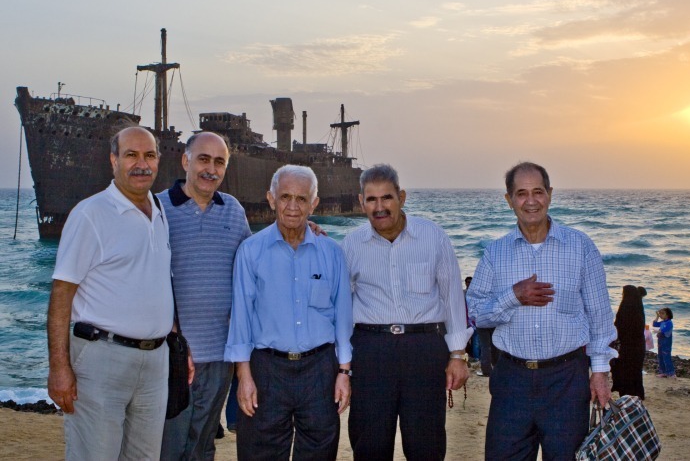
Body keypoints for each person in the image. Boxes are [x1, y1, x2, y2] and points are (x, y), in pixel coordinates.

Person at [466, 161, 617, 461]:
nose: (531, 201)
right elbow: (475, 312)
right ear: (509, 200)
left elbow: (599, 315)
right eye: (521, 193)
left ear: (550, 194)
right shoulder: (495, 253)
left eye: (538, 191)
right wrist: (513, 296)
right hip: (511, 380)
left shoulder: (580, 247)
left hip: (566, 380)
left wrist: (600, 372)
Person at [47, 126, 179, 460]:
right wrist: (59, 368)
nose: (142, 164)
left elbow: (152, 279)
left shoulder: (158, 211)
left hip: (155, 360)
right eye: (131, 155)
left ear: (158, 161)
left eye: (149, 156)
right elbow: (62, 293)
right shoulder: (91, 214)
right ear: (113, 160)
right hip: (101, 358)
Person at [342, 164, 472, 461]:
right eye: (371, 199)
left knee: (426, 445)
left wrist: (457, 355)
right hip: (371, 352)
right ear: (361, 202)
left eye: (387, 197)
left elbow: (452, 298)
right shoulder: (351, 245)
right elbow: (341, 308)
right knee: (370, 444)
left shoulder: (433, 237)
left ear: (401, 197)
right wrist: (343, 365)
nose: (379, 207)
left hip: (424, 350)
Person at [225, 165, 353, 460]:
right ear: (271, 199)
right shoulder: (251, 251)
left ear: (313, 204)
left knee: (320, 451)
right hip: (266, 369)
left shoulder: (332, 253)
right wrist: (244, 376)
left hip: (320, 370)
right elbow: (241, 319)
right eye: (285, 197)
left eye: (301, 198)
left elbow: (343, 319)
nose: (292, 206)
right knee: (259, 452)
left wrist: (344, 372)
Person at [158, 132, 252, 460]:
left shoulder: (233, 210)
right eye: (203, 159)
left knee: (203, 444)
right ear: (186, 161)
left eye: (219, 162)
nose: (211, 169)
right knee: (167, 446)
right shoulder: (157, 208)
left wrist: (303, 229)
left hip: (219, 355)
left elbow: (254, 260)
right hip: (170, 355)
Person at [610, 285, 646, 400]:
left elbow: (619, 327)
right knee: (635, 371)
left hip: (626, 347)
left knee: (625, 371)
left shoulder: (625, 308)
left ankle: (626, 394)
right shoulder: (638, 308)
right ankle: (637, 394)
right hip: (638, 346)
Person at [653, 307, 676, 378]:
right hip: (660, 341)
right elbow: (655, 324)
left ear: (668, 315)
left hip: (666, 342)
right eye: (660, 313)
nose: (661, 315)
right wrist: (657, 316)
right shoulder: (662, 322)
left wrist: (657, 331)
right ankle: (663, 372)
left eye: (662, 313)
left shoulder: (669, 323)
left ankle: (671, 373)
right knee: (660, 357)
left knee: (666, 357)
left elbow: (664, 330)